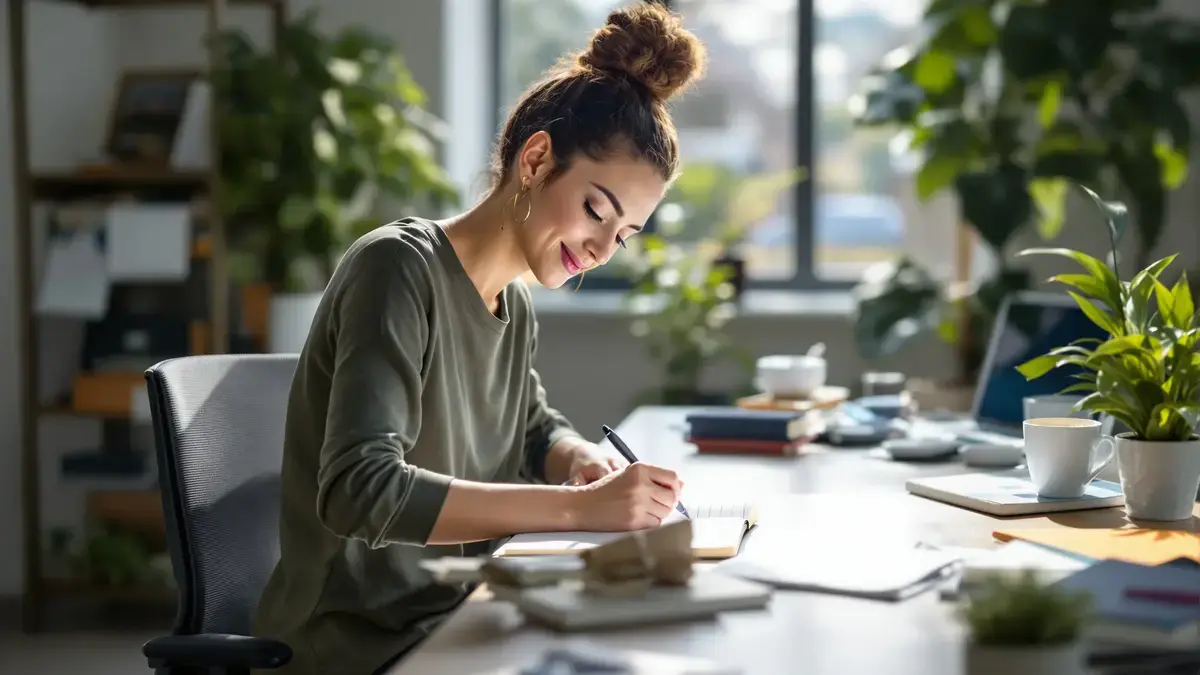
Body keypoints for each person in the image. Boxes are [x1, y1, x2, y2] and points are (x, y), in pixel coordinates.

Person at [253, 4, 708, 675]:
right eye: (595, 210)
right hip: (356, 638)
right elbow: (360, 487)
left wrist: (576, 456)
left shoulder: (514, 302)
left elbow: (530, 428)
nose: (602, 248)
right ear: (536, 158)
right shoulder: (397, 268)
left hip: (460, 610)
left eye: (622, 235)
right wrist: (575, 509)